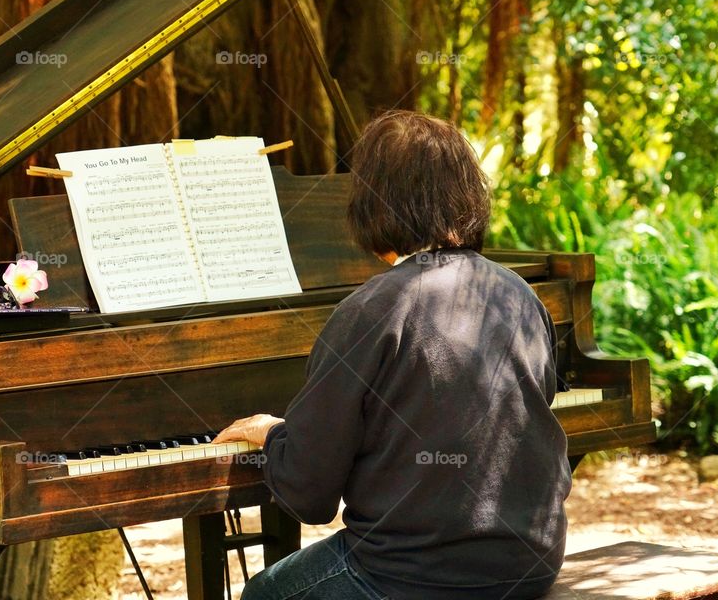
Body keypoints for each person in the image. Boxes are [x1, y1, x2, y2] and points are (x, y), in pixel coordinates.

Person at [214, 110, 572, 600]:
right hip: (532, 564)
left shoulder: (372, 307)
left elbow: (309, 494)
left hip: (413, 578)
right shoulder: (518, 294)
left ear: (371, 203)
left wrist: (274, 432)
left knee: (264, 595)